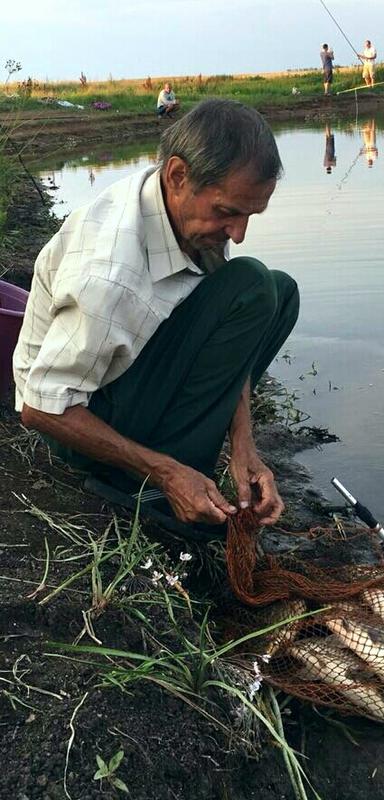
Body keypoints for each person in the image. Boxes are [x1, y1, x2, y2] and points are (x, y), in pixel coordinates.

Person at [13, 99, 299, 532]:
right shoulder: (108, 274)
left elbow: (227, 340)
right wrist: (165, 472)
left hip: (130, 377)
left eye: (249, 215)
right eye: (228, 213)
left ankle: (183, 454)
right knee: (253, 284)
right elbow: (41, 408)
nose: (238, 233)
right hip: (81, 420)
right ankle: (154, 483)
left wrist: (244, 444)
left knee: (279, 292)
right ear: (178, 175)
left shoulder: (181, 207)